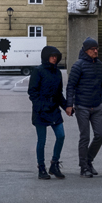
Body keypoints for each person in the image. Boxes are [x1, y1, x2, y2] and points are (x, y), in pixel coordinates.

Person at [28, 45, 71, 179]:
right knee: (42, 140)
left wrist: (66, 106)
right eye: (52, 56)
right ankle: (41, 168)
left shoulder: (57, 72)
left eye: (56, 57)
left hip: (53, 109)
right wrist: (39, 106)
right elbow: (32, 92)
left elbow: (59, 93)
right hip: (41, 110)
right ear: (46, 57)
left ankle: (54, 163)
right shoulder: (38, 71)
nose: (54, 58)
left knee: (61, 135)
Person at [66, 37, 102, 177]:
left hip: (96, 106)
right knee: (85, 137)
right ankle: (83, 167)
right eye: (93, 49)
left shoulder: (99, 64)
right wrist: (69, 105)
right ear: (86, 50)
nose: (96, 51)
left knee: (100, 135)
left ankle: (89, 160)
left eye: (97, 49)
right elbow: (71, 86)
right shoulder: (78, 65)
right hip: (82, 106)